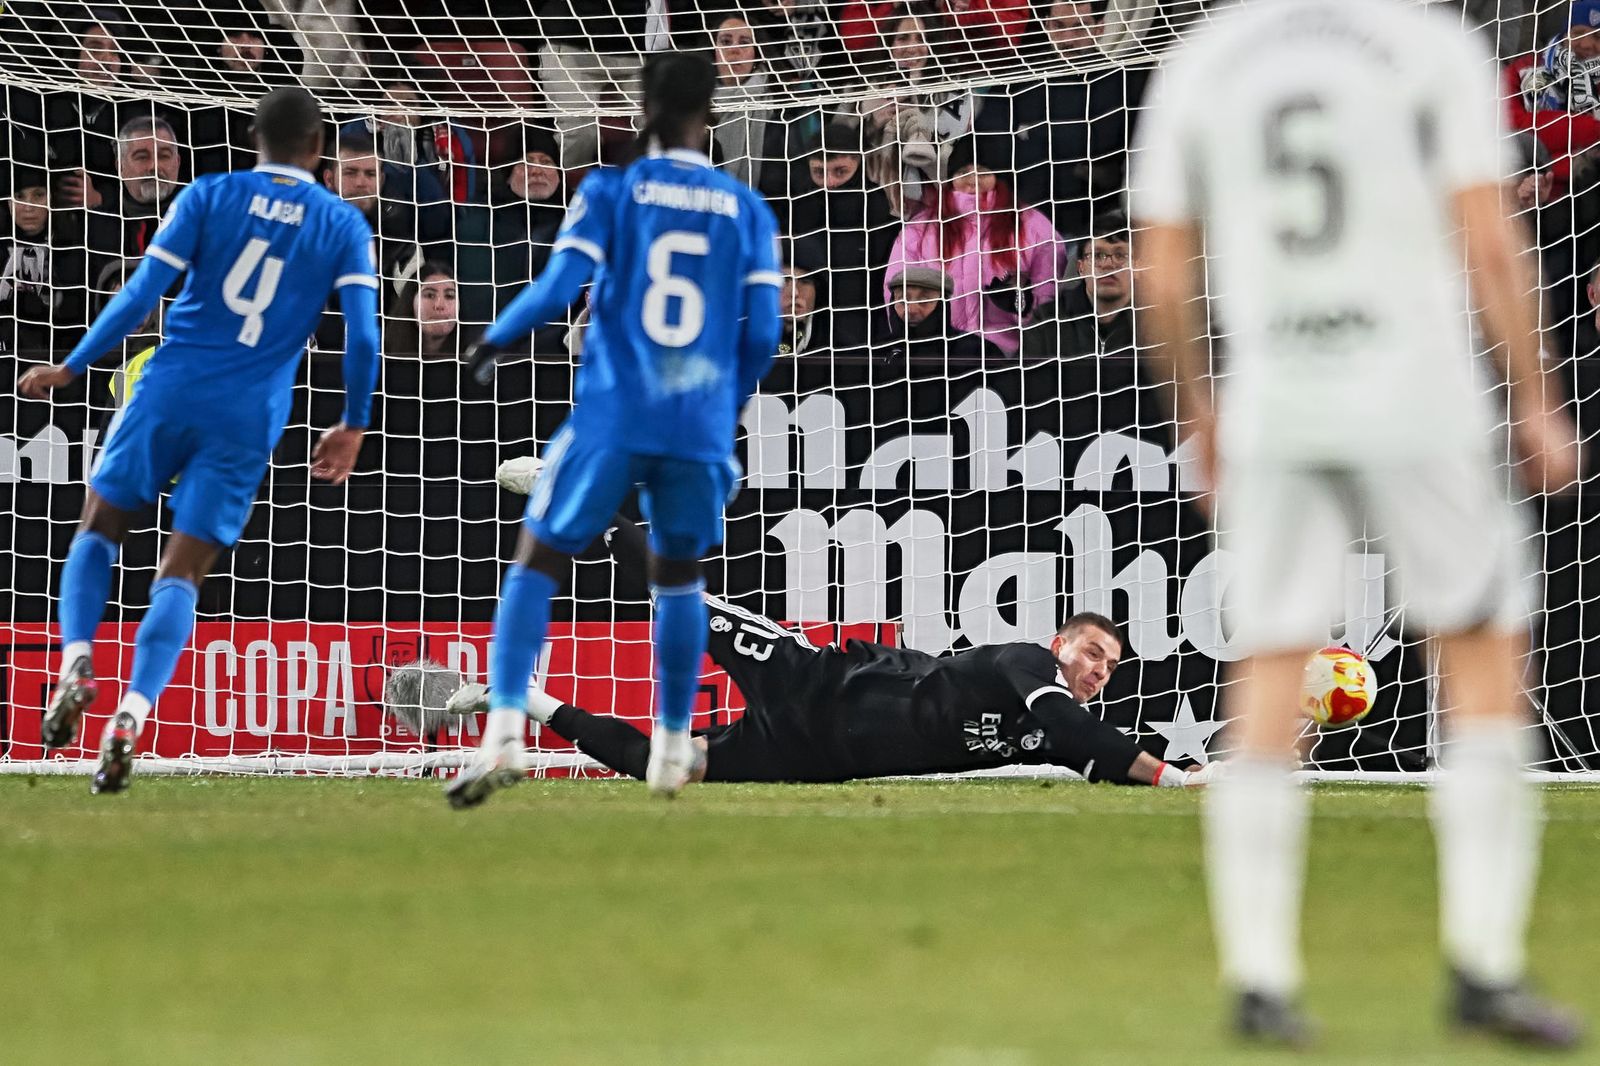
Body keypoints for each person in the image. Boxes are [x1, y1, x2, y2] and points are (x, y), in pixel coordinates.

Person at [1132, 0, 1584, 1048]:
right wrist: (1533, 396)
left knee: (1267, 667)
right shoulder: (1430, 46)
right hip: (1417, 394)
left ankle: (1258, 976)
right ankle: (1482, 963)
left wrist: (1198, 408)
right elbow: (1486, 237)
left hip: (1279, 395)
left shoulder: (1206, 56)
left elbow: (1161, 268)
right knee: (1475, 658)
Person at [16, 87, 380, 795]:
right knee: (182, 573)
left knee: (100, 526)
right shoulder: (340, 222)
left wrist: (74, 364)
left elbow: (140, 293)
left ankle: (77, 660)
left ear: (255, 139)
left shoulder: (208, 194)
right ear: (318, 151)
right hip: (247, 416)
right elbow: (364, 336)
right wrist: (353, 422)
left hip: (169, 388)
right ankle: (132, 713)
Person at [451, 51, 783, 806]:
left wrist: (493, 341)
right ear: (713, 110)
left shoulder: (613, 188)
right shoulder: (747, 208)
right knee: (678, 577)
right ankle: (670, 744)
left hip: (616, 409)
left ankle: (504, 729)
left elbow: (558, 287)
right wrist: (720, 401)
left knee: (538, 555)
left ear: (643, 104)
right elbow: (763, 332)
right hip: (697, 421)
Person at [447, 504, 1212, 787]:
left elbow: (1097, 753)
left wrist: (1174, 765)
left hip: (814, 759)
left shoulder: (1052, 729)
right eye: (1090, 654)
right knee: (683, 602)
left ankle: (526, 701)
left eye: (1107, 668)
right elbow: (1085, 735)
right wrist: (1168, 781)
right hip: (815, 682)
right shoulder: (1028, 666)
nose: (1095, 672)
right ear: (1059, 644)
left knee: (662, 766)